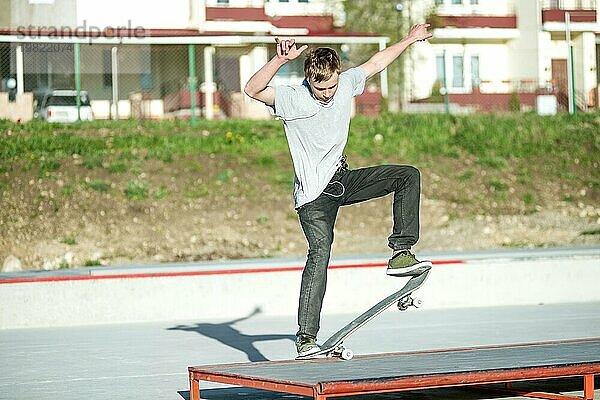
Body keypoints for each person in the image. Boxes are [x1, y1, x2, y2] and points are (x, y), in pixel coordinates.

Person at [244, 23, 434, 358]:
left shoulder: (345, 83)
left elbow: (376, 63)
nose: (327, 93)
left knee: (407, 175)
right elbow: (253, 89)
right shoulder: (292, 96)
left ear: (338, 75)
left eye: (331, 86)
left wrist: (409, 39)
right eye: (320, 88)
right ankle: (306, 338)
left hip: (340, 180)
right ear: (309, 78)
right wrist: (277, 61)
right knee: (320, 254)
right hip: (313, 200)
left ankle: (400, 253)